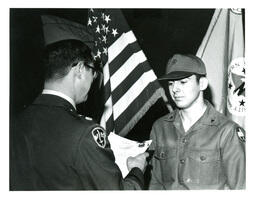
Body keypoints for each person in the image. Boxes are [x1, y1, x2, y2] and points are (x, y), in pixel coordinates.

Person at [10, 39, 148, 190]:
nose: (94, 79)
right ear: (80, 69)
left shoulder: (14, 123)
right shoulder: (84, 132)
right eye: (93, 72)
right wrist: (136, 170)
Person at [148, 54, 245, 190]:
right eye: (171, 83)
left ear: (202, 84)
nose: (175, 89)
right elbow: (155, 184)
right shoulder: (160, 128)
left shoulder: (227, 132)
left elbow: (241, 189)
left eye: (183, 82)